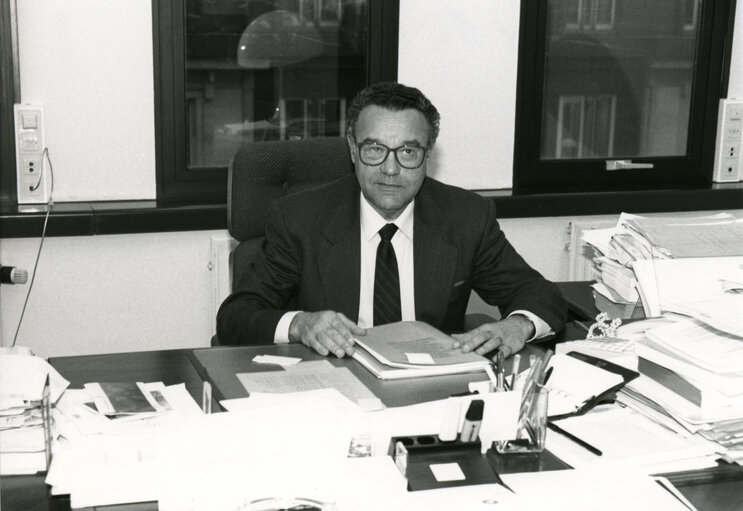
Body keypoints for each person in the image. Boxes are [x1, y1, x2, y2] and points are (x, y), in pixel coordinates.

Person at [217, 82, 566, 358]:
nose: (390, 169)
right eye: (374, 149)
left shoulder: (466, 217)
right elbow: (236, 316)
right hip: (334, 388)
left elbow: (539, 293)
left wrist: (517, 326)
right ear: (353, 150)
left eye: (408, 152)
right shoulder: (299, 219)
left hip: (430, 390)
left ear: (428, 155)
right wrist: (301, 325)